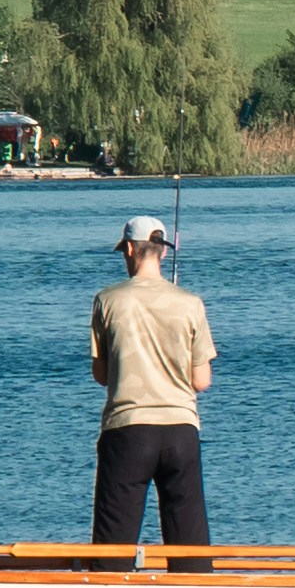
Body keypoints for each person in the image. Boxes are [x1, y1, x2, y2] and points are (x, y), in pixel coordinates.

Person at [86, 214, 219, 552]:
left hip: (127, 431)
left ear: (130, 249)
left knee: (112, 548)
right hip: (181, 432)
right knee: (190, 546)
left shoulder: (107, 300)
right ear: (162, 252)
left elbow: (101, 376)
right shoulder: (191, 303)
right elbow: (201, 380)